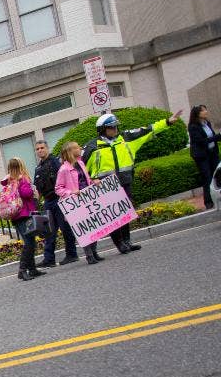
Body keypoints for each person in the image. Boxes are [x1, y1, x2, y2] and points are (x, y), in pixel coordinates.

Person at [82, 110, 183, 252]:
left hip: (125, 182)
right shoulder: (91, 147)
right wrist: (92, 179)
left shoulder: (126, 138)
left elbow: (147, 130)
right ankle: (120, 244)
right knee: (113, 216)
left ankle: (127, 241)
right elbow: (80, 168)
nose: (115, 129)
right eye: (112, 127)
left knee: (125, 213)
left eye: (116, 126)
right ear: (102, 130)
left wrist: (167, 122)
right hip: (105, 187)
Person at [56, 141, 104, 265]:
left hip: (88, 199)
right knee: (84, 229)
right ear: (70, 151)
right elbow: (58, 189)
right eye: (77, 147)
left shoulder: (81, 163)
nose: (80, 148)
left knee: (93, 226)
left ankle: (94, 252)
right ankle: (89, 255)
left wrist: (94, 182)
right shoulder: (63, 169)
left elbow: (86, 180)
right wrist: (71, 192)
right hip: (76, 203)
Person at [32, 139, 78, 267]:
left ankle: (72, 254)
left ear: (47, 148)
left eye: (42, 148)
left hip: (59, 199)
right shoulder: (38, 168)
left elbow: (66, 178)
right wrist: (35, 204)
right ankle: (49, 259)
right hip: (47, 202)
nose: (40, 150)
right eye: (37, 149)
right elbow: (38, 189)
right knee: (49, 232)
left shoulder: (56, 162)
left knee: (65, 228)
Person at [1, 157, 44, 281]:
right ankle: (22, 270)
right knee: (29, 242)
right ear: (21, 165)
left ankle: (32, 269)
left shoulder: (8, 181)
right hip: (24, 213)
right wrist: (30, 187)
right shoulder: (22, 179)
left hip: (15, 214)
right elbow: (27, 194)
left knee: (29, 241)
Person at [188, 104, 219, 210]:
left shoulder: (207, 123)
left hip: (212, 153)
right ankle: (208, 202)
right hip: (202, 156)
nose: (206, 111)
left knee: (218, 175)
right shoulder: (193, 127)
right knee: (207, 178)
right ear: (198, 114)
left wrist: (217, 137)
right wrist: (217, 137)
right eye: (203, 110)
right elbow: (201, 141)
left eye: (206, 109)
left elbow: (212, 137)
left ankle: (218, 198)